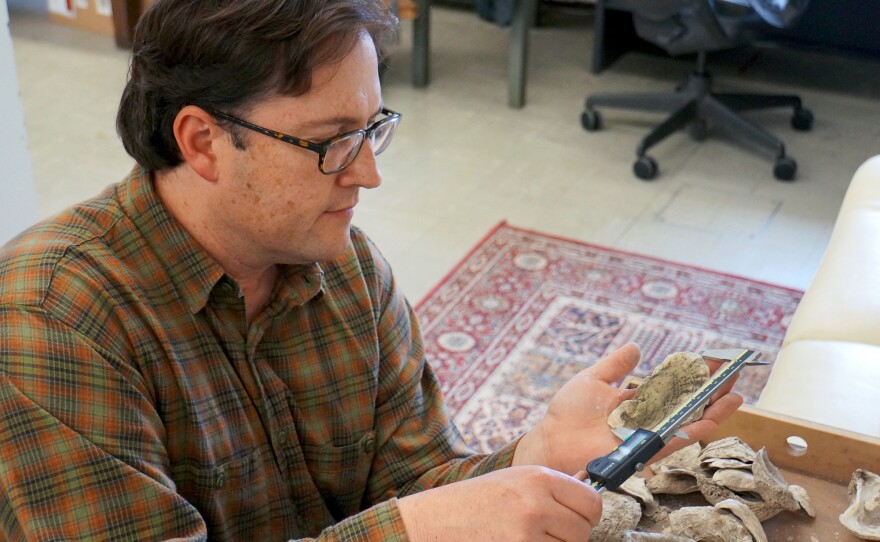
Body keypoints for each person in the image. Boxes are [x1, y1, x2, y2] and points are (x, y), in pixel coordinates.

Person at [0, 0, 743, 540]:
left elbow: (413, 484)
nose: (366, 176)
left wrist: (536, 453)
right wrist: (408, 531)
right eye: (329, 140)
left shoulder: (342, 265)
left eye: (372, 130)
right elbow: (412, 521)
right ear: (201, 141)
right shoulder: (52, 318)